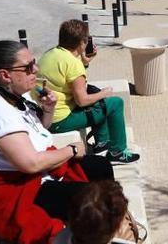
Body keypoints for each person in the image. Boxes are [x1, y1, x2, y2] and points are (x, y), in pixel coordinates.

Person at [0, 40, 115, 244]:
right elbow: (30, 163)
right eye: (28, 67)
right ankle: (104, 239)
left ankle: (111, 226)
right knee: (94, 203)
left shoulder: (10, 96)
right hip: (13, 191)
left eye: (33, 63)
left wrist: (48, 109)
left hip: (27, 177)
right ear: (5, 75)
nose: (35, 69)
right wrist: (70, 150)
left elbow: (36, 133)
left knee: (100, 167)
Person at [37, 20, 140, 164]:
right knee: (115, 103)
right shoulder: (73, 64)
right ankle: (118, 151)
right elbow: (82, 100)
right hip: (59, 120)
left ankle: (102, 143)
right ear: (82, 43)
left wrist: (85, 63)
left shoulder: (50, 54)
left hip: (44, 114)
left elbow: (67, 81)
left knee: (98, 99)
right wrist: (104, 93)